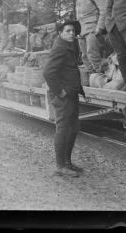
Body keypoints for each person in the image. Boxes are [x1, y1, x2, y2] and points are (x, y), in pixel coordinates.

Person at [43, 20, 85, 178]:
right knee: (63, 130)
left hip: (72, 94)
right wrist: (59, 92)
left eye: (73, 31)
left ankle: (67, 163)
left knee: (73, 129)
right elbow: (48, 72)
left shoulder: (70, 46)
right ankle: (60, 166)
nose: (72, 33)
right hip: (64, 97)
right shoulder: (60, 47)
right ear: (60, 33)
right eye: (67, 31)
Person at [74, 0, 106, 74]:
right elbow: (79, 14)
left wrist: (100, 27)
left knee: (92, 53)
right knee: (84, 55)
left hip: (92, 28)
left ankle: (100, 75)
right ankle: (91, 76)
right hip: (81, 29)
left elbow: (104, 10)